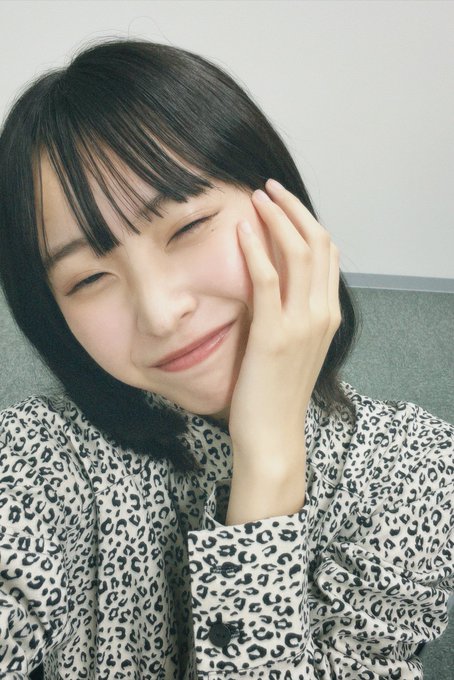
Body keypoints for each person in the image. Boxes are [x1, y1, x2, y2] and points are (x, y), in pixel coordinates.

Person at [0, 38, 452, 680]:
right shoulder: (40, 456)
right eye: (88, 278)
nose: (160, 313)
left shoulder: (414, 468)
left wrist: (266, 467)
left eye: (187, 227)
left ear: (285, 210)